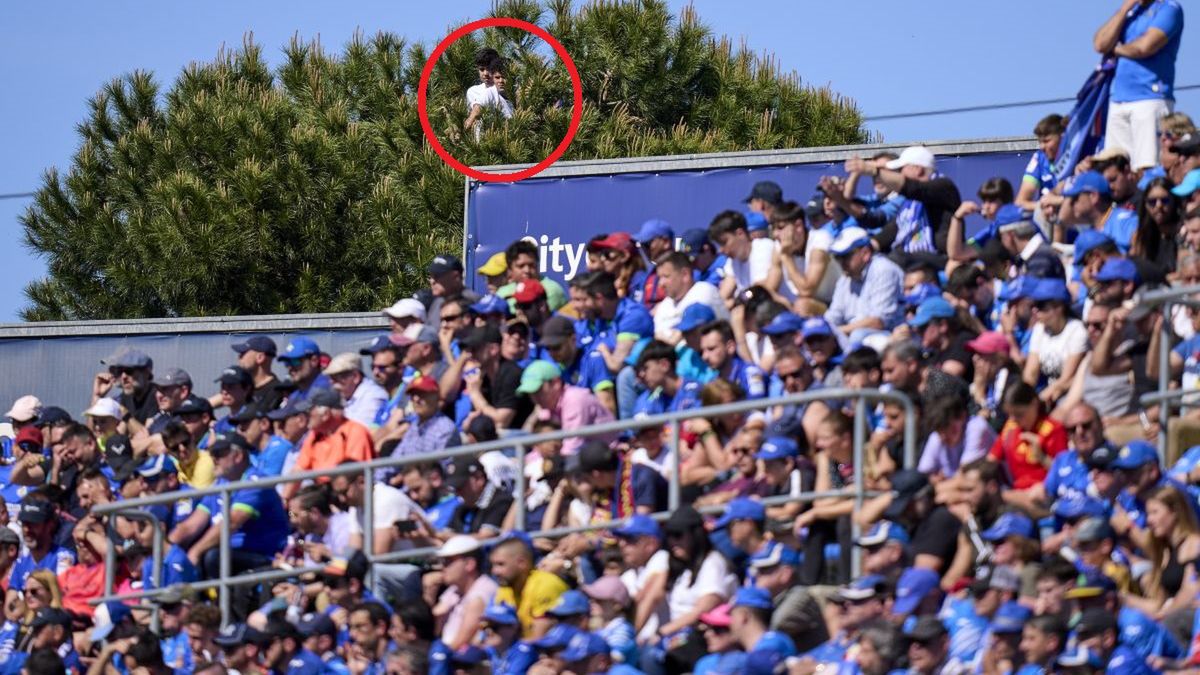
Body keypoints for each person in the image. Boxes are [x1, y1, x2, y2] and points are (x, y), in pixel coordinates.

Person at [1094, 0, 1185, 172]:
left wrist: (1115, 49)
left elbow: (1145, 47)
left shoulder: (1169, 8)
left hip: (1150, 99)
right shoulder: (1131, 10)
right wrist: (1124, 9)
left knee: (1147, 167)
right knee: (1115, 168)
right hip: (1119, 99)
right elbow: (1100, 43)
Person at [845, 145, 963, 256]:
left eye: (901, 169)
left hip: (937, 260)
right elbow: (891, 230)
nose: (899, 173)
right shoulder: (909, 203)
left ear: (918, 169)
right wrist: (863, 251)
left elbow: (913, 188)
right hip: (910, 259)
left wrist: (874, 171)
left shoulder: (944, 186)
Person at [285, 389, 374, 498]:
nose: (305, 417)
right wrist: (285, 500)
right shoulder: (314, 434)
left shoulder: (355, 432)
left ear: (326, 414)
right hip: (323, 493)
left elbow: (351, 476)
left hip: (345, 495)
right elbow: (298, 470)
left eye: (309, 412)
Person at [824, 226, 905, 338]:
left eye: (846, 256)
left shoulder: (883, 270)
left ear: (865, 253)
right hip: (854, 334)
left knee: (858, 335)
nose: (841, 262)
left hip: (890, 336)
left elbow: (878, 322)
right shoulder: (845, 279)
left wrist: (836, 332)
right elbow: (834, 316)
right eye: (838, 257)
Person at [490, 535, 568, 639]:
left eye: (501, 564)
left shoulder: (545, 585)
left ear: (521, 563)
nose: (494, 571)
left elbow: (539, 638)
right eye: (493, 565)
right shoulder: (505, 589)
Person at [652, 252, 727, 343]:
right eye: (659, 278)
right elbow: (658, 339)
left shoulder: (703, 291)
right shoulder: (665, 305)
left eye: (666, 276)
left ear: (685, 274)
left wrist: (667, 339)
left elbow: (678, 340)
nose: (661, 284)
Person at [1063, 171, 1140, 254]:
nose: (1071, 204)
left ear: (1094, 196)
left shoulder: (1124, 221)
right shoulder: (1091, 230)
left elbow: (1143, 254)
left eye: (1075, 198)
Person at [322, 352, 388, 429]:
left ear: (355, 377)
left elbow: (360, 432)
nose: (333, 384)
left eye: (336, 378)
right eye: (330, 379)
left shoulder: (373, 396)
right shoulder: (345, 396)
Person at [1016, 114, 1066, 212]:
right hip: (1048, 220)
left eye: (1047, 141)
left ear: (1062, 138)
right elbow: (1020, 202)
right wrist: (1042, 205)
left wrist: (1058, 201)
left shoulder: (1078, 156)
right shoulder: (1039, 158)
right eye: (1040, 142)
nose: (1042, 147)